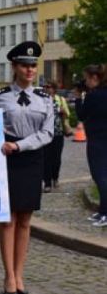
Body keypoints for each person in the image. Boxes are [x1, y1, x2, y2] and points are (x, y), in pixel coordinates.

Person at [0, 41, 53, 294]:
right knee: (8, 219)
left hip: (31, 159)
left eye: (33, 65)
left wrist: (20, 146)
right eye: (24, 65)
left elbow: (48, 133)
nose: (30, 70)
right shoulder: (1, 97)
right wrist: (1, 139)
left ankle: (20, 273)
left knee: (25, 219)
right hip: (7, 159)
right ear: (15, 67)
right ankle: (9, 276)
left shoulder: (45, 99)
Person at [74, 65, 107, 227]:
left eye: (87, 79)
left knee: (100, 176)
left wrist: (79, 97)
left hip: (97, 140)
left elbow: (81, 114)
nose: (85, 82)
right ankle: (102, 210)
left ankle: (105, 213)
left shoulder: (94, 95)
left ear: (94, 78)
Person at [42, 80, 68, 193]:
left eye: (48, 87)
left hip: (58, 134)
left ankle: (55, 178)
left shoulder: (60, 100)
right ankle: (47, 183)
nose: (46, 89)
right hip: (45, 134)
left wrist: (63, 112)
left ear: (54, 89)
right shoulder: (41, 100)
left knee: (56, 159)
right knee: (45, 159)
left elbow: (67, 114)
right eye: (44, 87)